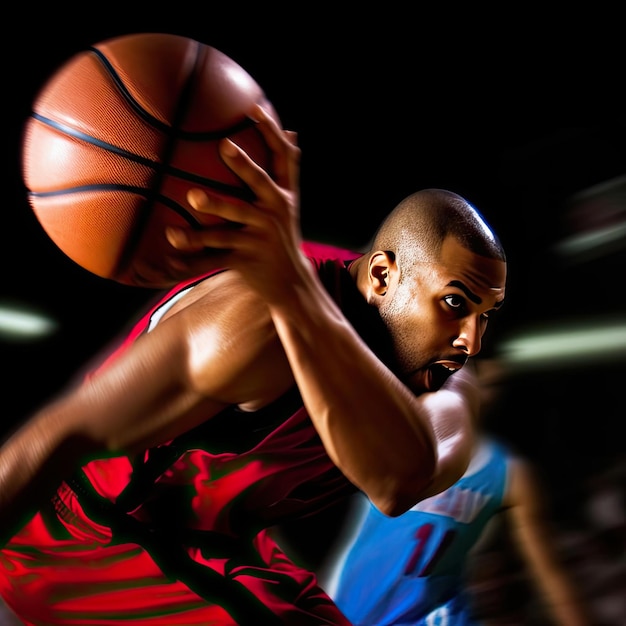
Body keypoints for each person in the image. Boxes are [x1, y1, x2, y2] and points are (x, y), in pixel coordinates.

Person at [0, 102, 507, 625]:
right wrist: (291, 293)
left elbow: (402, 479)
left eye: (486, 315)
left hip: (217, 541)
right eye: (454, 304)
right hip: (88, 531)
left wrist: (294, 294)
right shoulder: (253, 323)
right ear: (381, 278)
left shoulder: (447, 383)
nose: (471, 340)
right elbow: (56, 437)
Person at [322, 362, 592, 626]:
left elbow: (549, 577)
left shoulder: (508, 473)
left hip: (438, 614)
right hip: (353, 607)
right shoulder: (392, 436)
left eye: (494, 382)